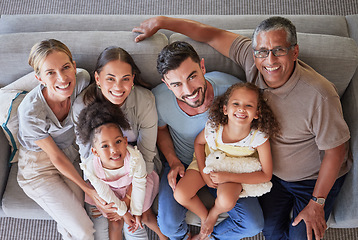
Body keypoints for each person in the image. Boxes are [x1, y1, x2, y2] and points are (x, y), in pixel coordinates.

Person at [133, 16, 352, 240]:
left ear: (295, 52)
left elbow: (337, 151)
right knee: (271, 232)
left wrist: (318, 201)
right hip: (265, 177)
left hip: (310, 179)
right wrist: (162, 21)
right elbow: (212, 34)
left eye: (279, 50)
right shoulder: (253, 62)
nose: (270, 60)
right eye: (263, 51)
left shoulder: (319, 95)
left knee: (291, 233)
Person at [148, 41, 264, 240]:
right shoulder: (158, 99)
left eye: (192, 76)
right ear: (167, 84)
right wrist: (173, 160)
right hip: (184, 162)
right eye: (176, 84)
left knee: (254, 224)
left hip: (227, 162)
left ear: (202, 67)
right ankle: (186, 236)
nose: (189, 90)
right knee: (168, 226)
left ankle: (209, 236)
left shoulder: (231, 91)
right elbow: (161, 129)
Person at [16, 39, 103, 239]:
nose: (62, 78)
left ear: (74, 66)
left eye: (65, 68)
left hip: (69, 154)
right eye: (50, 73)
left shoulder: (81, 80)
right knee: (84, 230)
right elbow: (54, 157)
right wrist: (88, 189)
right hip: (38, 167)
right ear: (39, 78)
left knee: (71, 226)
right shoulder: (30, 112)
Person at [73, 46, 161, 240]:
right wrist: (107, 201)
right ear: (97, 79)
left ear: (133, 78)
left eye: (125, 79)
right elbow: (87, 155)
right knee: (110, 219)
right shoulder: (82, 106)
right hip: (103, 172)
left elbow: (146, 154)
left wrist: (128, 198)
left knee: (135, 223)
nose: (118, 87)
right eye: (110, 79)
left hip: (137, 167)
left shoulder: (144, 100)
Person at [174, 82, 280, 239]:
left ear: (257, 112)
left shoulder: (259, 138)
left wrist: (228, 176)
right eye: (236, 103)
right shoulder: (214, 127)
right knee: (180, 194)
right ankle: (206, 219)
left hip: (235, 171)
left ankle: (214, 214)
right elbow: (199, 142)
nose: (241, 109)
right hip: (210, 163)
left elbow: (266, 175)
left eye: (249, 105)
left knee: (227, 199)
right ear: (225, 109)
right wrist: (204, 173)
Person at [76, 101, 167, 240]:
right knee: (115, 222)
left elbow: (139, 183)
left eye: (118, 142)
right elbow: (104, 192)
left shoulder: (135, 158)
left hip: (135, 187)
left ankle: (164, 237)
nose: (114, 150)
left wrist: (135, 212)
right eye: (105, 146)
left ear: (125, 141)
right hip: (109, 191)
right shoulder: (91, 167)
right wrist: (123, 212)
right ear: (95, 152)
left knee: (145, 215)